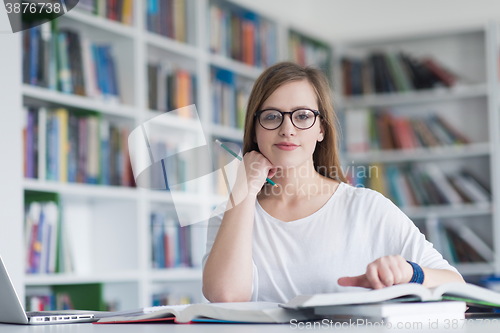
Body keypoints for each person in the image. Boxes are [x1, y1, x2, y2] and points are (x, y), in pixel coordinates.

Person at [202, 61, 464, 303]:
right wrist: (244, 191)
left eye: (303, 116)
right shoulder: (231, 213)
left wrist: (410, 273)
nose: (287, 129)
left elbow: (457, 288)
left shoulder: (366, 207)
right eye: (271, 116)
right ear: (255, 129)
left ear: (321, 129)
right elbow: (226, 296)